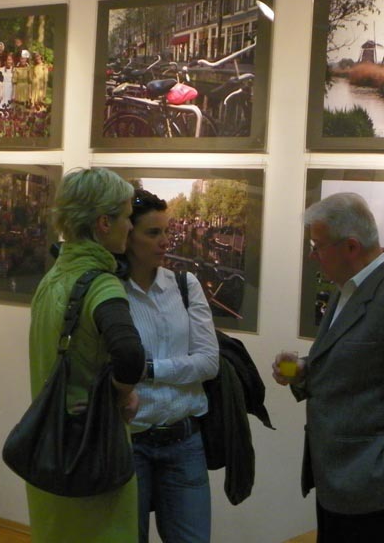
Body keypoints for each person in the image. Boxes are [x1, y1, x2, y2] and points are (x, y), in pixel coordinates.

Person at [272, 192, 384, 543]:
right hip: (336, 479)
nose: (312, 255)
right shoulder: (348, 289)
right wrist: (301, 370)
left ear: (351, 246)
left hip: (374, 489)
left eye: (317, 246)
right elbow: (356, 367)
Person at [27, 168, 146, 543]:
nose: (131, 226)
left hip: (50, 450)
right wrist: (124, 393)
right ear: (103, 223)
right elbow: (129, 353)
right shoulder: (101, 284)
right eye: (126, 217)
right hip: (93, 454)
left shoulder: (52, 279)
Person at [121, 189, 219, 543]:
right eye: (153, 232)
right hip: (130, 444)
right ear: (127, 235)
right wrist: (177, 368)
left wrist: (149, 370)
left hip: (184, 441)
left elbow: (208, 362)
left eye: (167, 231)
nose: (165, 242)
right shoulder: (110, 291)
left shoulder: (184, 285)